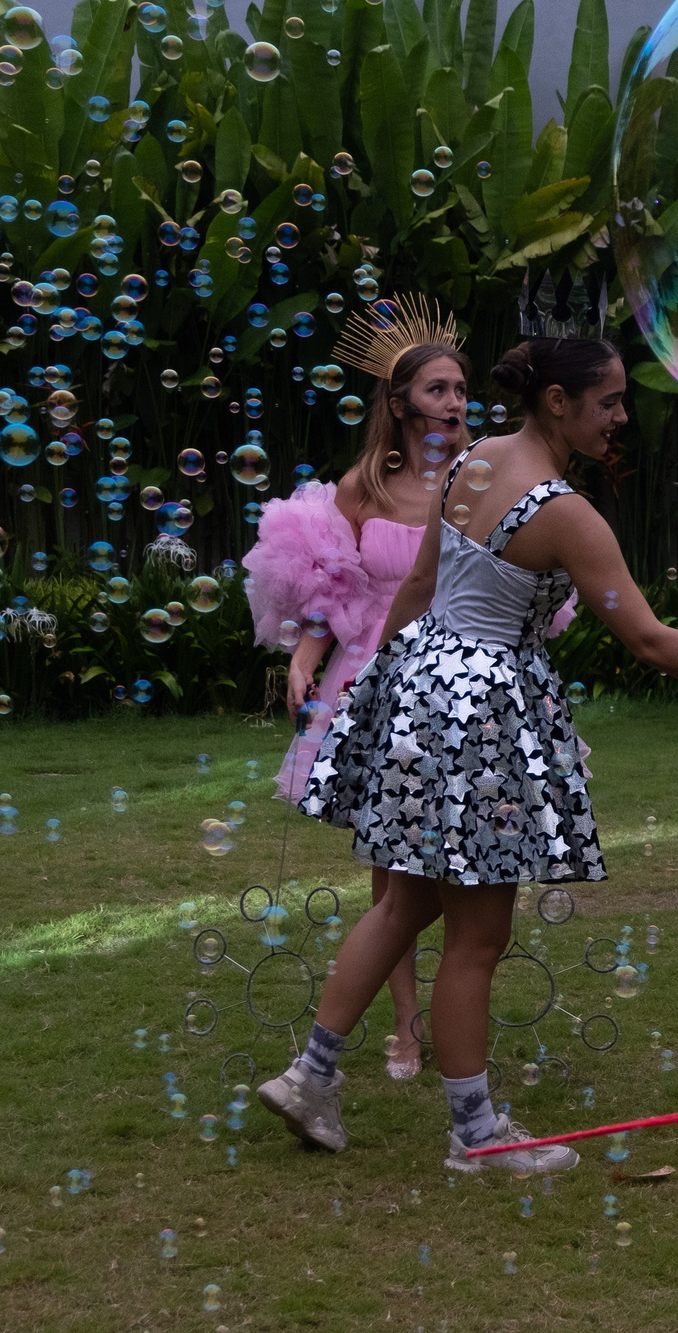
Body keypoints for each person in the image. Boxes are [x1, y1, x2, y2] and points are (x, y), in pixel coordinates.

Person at [259, 334, 678, 1168]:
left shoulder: (472, 463)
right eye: (607, 401)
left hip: (424, 685)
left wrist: (381, 689)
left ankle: (310, 1074)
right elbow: (646, 638)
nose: (619, 417)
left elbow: (421, 591)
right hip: (485, 717)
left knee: (405, 903)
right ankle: (476, 1136)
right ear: (559, 402)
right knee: (476, 935)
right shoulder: (565, 514)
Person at [246, 299, 542, 1081]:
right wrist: (306, 656)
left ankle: (413, 1031)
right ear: (402, 399)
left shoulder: (484, 478)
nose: (454, 402)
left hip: (450, 686)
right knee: (390, 867)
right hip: (372, 679)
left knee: (430, 870)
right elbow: (334, 588)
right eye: (439, 388)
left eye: (461, 388)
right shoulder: (364, 486)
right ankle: (406, 1027)